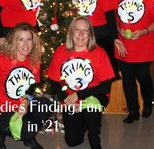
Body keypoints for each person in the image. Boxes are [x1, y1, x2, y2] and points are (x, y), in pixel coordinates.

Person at [0, 22, 51, 149]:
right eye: (21, 39)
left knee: (46, 105)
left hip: (19, 106)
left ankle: (27, 135)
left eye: (29, 39)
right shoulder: (0, 60)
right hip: (0, 109)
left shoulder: (34, 60)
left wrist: (27, 100)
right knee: (28, 130)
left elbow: (31, 85)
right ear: (14, 41)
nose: (26, 44)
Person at [47, 16, 115, 149]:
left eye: (85, 30)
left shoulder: (99, 53)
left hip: (95, 95)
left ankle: (93, 133)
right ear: (71, 32)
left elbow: (106, 87)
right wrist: (67, 100)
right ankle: (87, 122)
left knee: (90, 110)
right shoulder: (61, 51)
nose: (81, 34)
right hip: (70, 99)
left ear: (90, 34)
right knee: (73, 141)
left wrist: (79, 95)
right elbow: (54, 82)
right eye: (77, 30)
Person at [114, 0, 154, 123]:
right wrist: (119, 31)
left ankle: (148, 104)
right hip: (124, 44)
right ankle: (133, 110)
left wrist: (144, 31)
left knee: (143, 76)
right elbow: (112, 17)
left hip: (144, 43)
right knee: (127, 78)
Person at [75, 0, 125, 79]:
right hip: (85, 36)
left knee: (107, 72)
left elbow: (110, 15)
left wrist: (115, 38)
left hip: (103, 35)